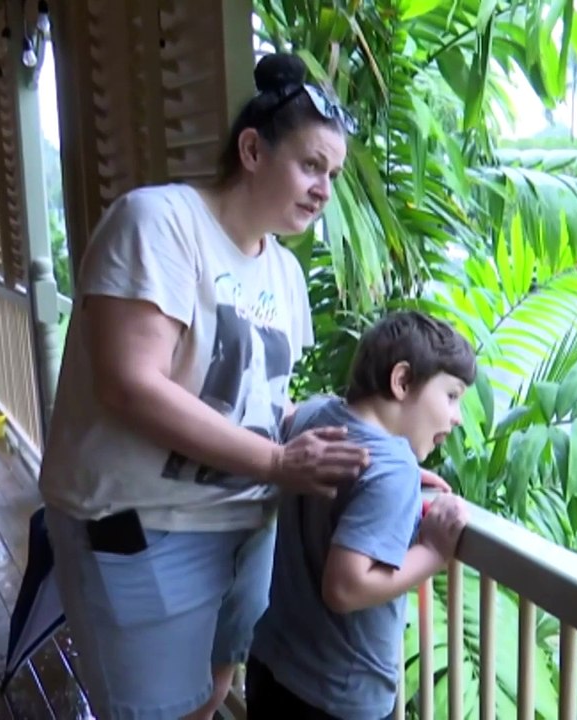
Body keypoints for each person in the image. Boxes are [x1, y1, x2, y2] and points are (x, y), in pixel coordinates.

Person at [36, 53, 446, 720]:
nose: (324, 189)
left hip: (247, 529)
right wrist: (280, 464)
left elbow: (265, 406)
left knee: (215, 692)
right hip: (144, 528)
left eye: (333, 175)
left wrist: (378, 462)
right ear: (253, 150)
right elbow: (130, 385)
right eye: (311, 165)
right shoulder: (160, 223)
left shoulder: (282, 274)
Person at [244, 310, 475, 720]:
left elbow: (344, 456)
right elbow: (346, 587)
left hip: (271, 668)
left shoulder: (319, 416)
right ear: (402, 381)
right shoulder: (392, 470)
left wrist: (392, 472)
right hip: (338, 696)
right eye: (452, 396)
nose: (457, 416)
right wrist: (435, 551)